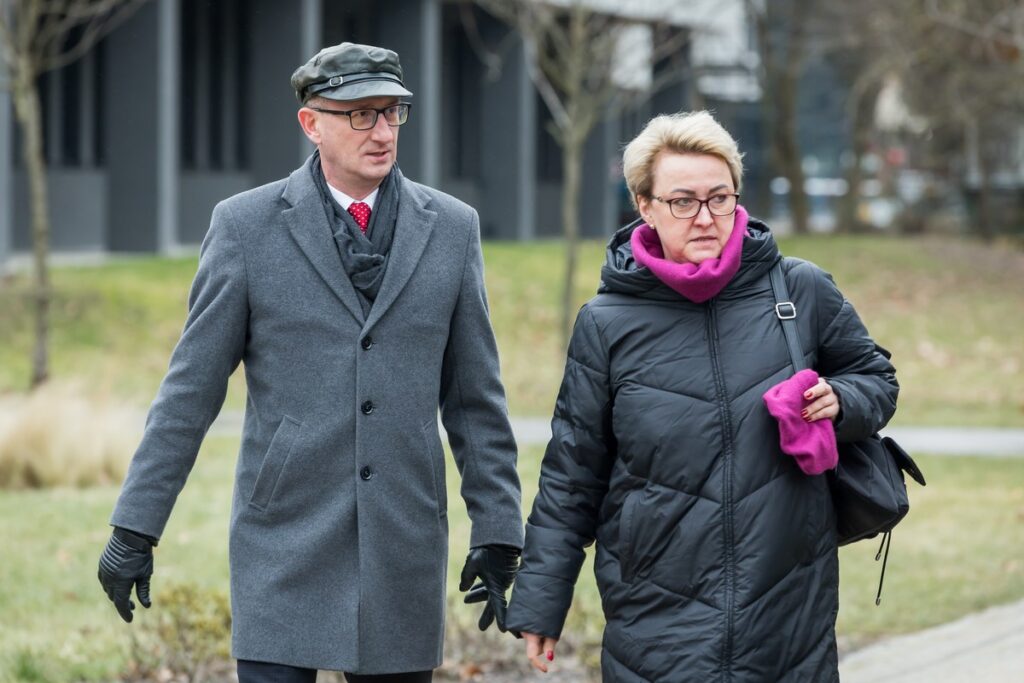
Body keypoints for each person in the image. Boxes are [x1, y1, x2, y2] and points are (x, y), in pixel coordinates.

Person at [97, 42, 523, 683]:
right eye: (360, 114)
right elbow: (191, 389)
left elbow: (474, 398)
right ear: (311, 122)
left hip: (402, 542)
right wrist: (136, 526)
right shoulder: (245, 226)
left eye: (392, 113)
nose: (381, 132)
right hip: (283, 541)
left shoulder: (453, 229)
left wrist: (497, 527)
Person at [505, 111, 898, 681]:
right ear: (645, 205)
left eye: (720, 198)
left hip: (787, 605)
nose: (706, 217)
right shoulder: (606, 322)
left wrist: (841, 400)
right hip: (654, 609)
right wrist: (542, 599)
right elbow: (572, 473)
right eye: (683, 201)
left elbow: (877, 379)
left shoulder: (800, 289)